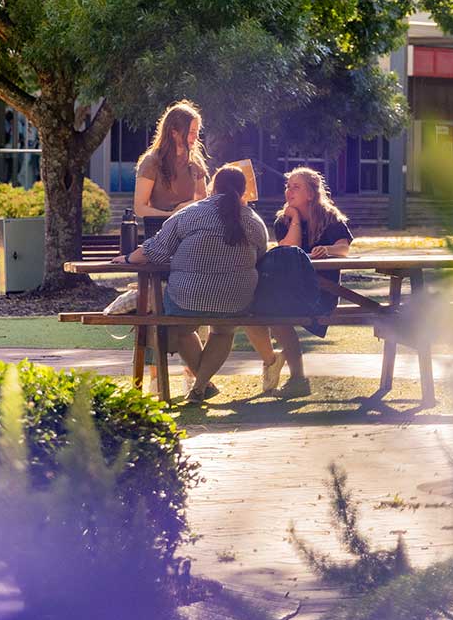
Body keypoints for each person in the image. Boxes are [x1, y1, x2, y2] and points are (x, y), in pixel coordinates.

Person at [125, 164, 267, 401]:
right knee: (223, 331)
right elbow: (261, 257)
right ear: (243, 192)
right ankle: (201, 386)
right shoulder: (254, 221)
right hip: (236, 299)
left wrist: (128, 257)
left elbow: (154, 250)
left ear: (212, 187)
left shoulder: (190, 213)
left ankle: (202, 384)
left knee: (182, 330)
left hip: (186, 296)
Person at [247, 167, 354, 393]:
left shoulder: (330, 218)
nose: (289, 191)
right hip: (291, 291)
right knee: (262, 312)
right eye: (288, 187)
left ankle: (297, 378)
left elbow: (344, 248)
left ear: (311, 194)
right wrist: (295, 218)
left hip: (321, 295)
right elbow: (290, 250)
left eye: (296, 187)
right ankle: (293, 376)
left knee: (276, 313)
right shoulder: (283, 221)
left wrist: (328, 249)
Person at [134, 101, 209, 235]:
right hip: (158, 233)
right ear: (174, 132)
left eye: (197, 132)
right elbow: (139, 208)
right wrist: (171, 215)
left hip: (190, 232)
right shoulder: (151, 162)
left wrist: (186, 207)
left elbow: (203, 200)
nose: (196, 137)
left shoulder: (195, 162)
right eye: (192, 132)